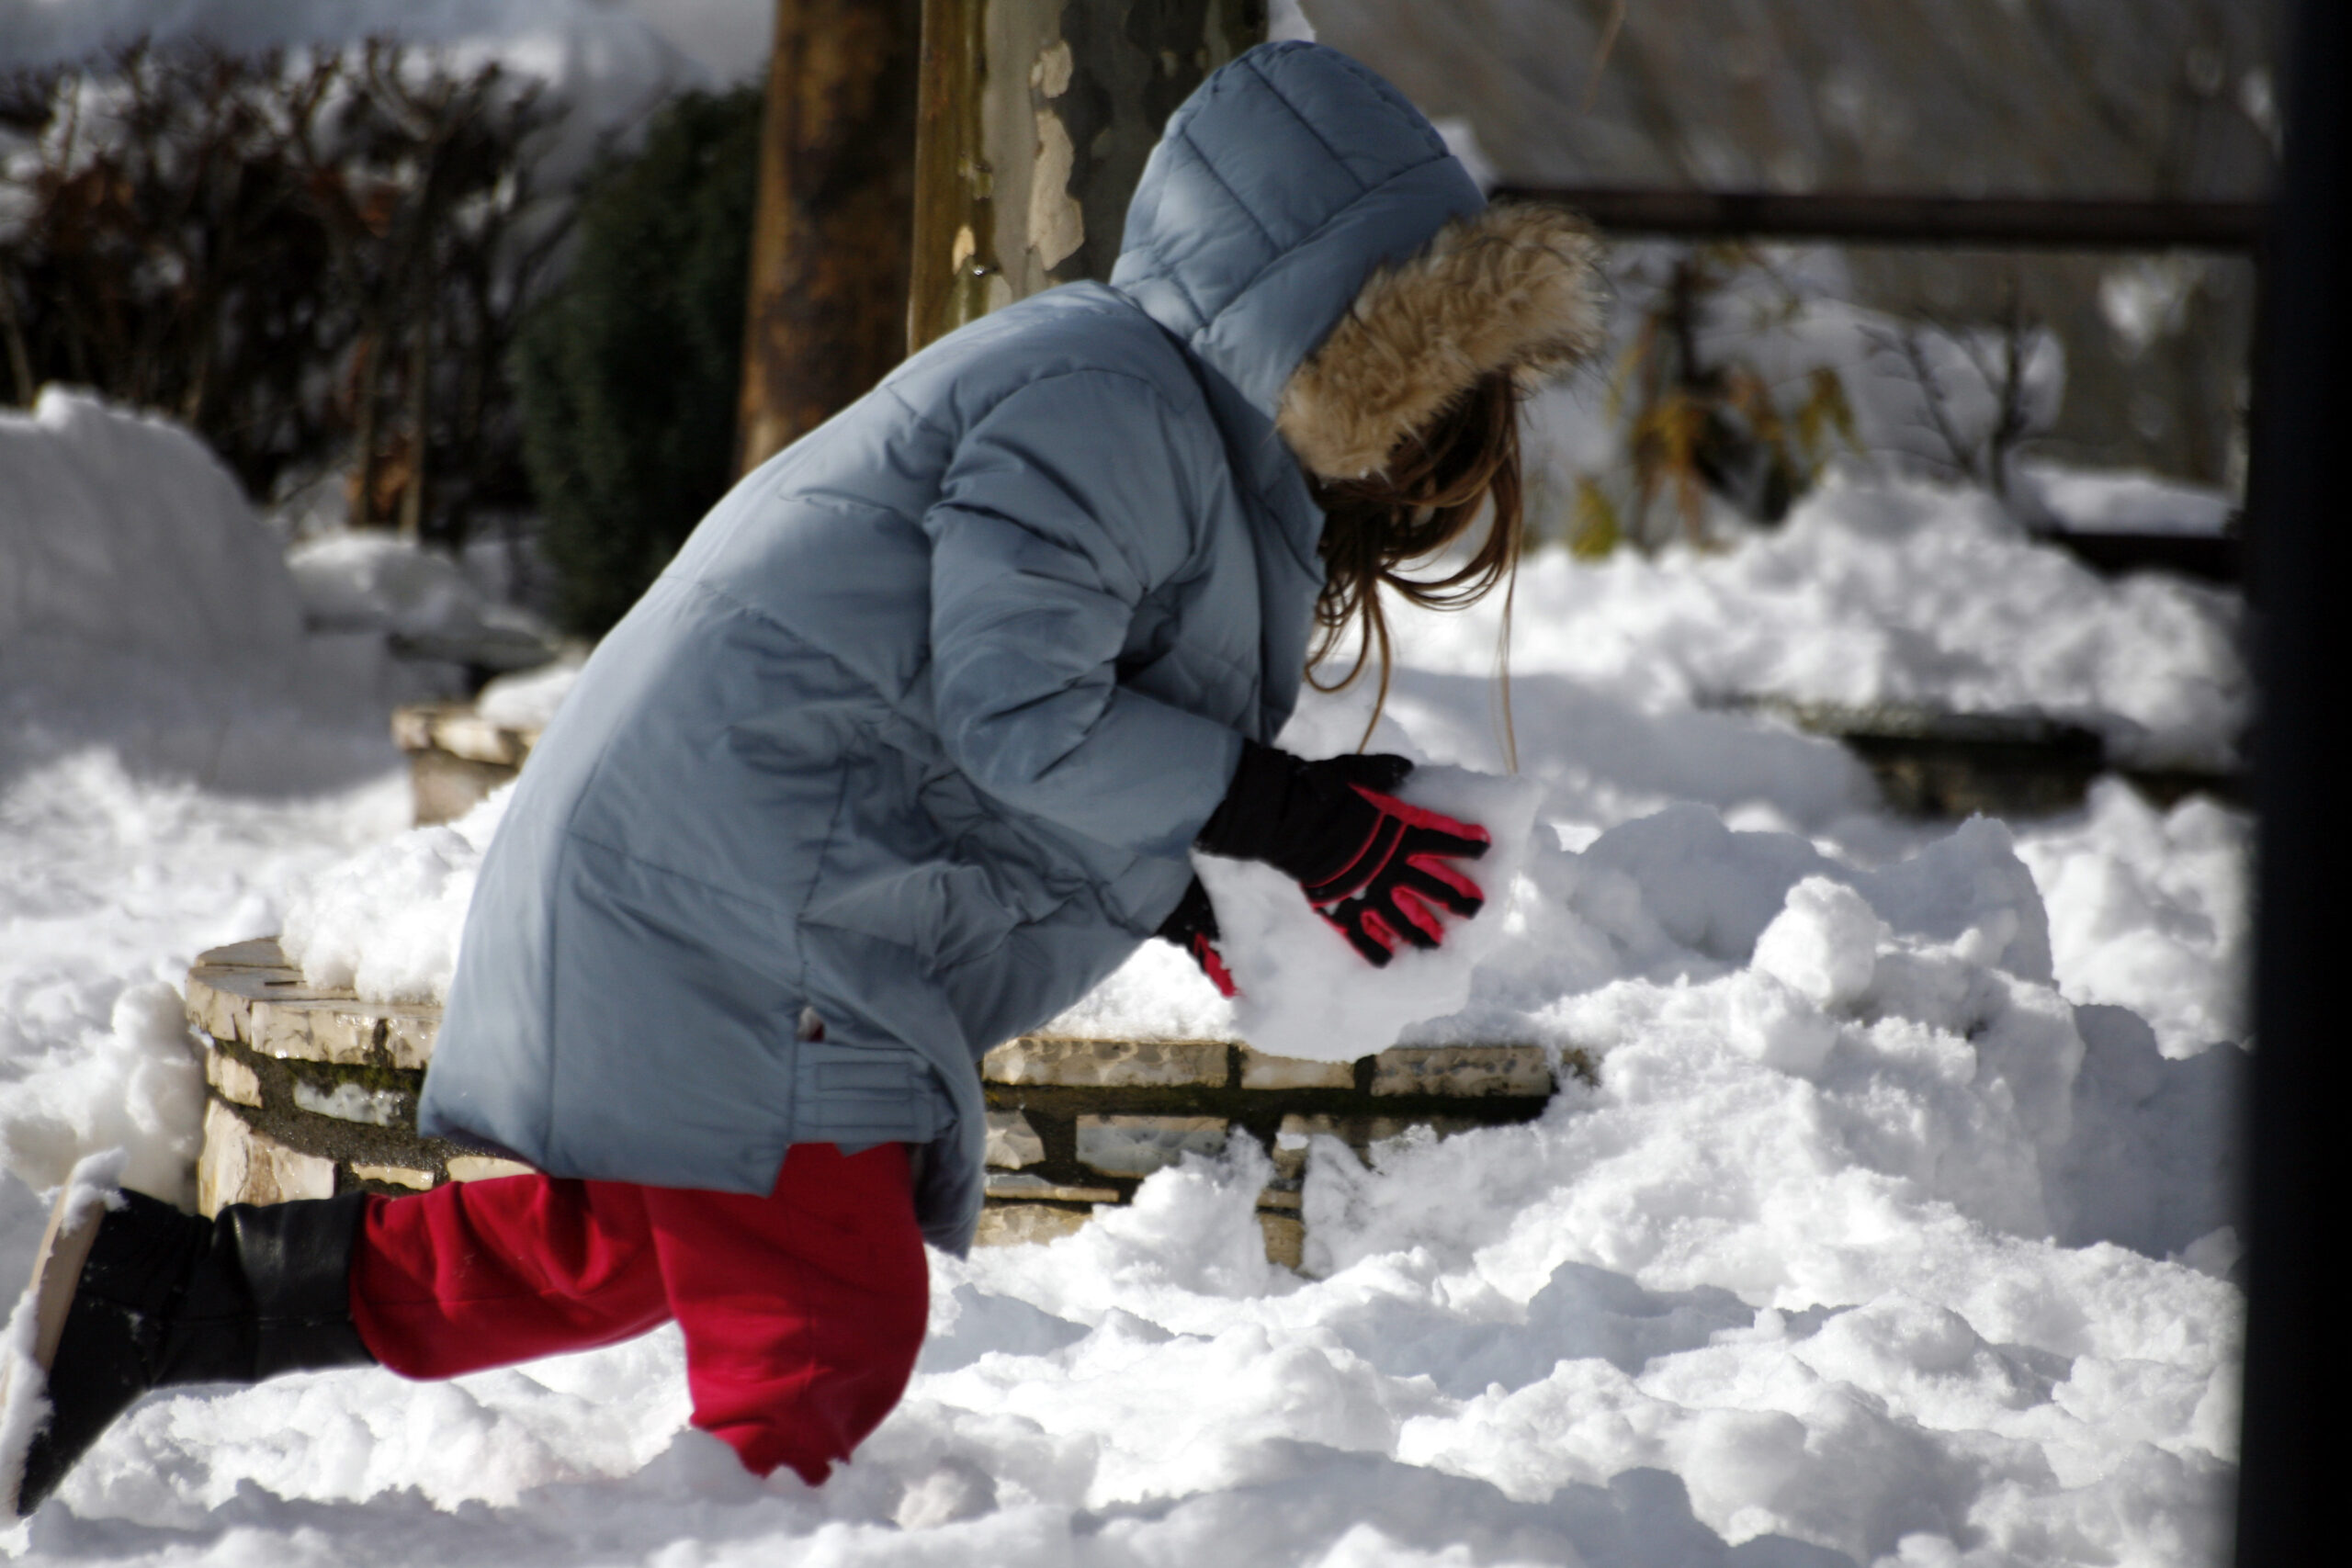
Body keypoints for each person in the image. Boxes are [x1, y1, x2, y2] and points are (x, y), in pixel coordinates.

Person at [2, 39, 1598, 1517]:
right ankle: (755, 1541)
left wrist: (1208, 877)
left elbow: (987, 745)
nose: (1430, 455)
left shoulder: (1168, 434)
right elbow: (1016, 718)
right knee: (824, 1321)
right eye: (1421, 392)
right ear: (1324, 331)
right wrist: (1287, 815)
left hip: (724, 873)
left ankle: (170, 1298)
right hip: (735, 898)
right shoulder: (1109, 407)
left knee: (602, 1248)